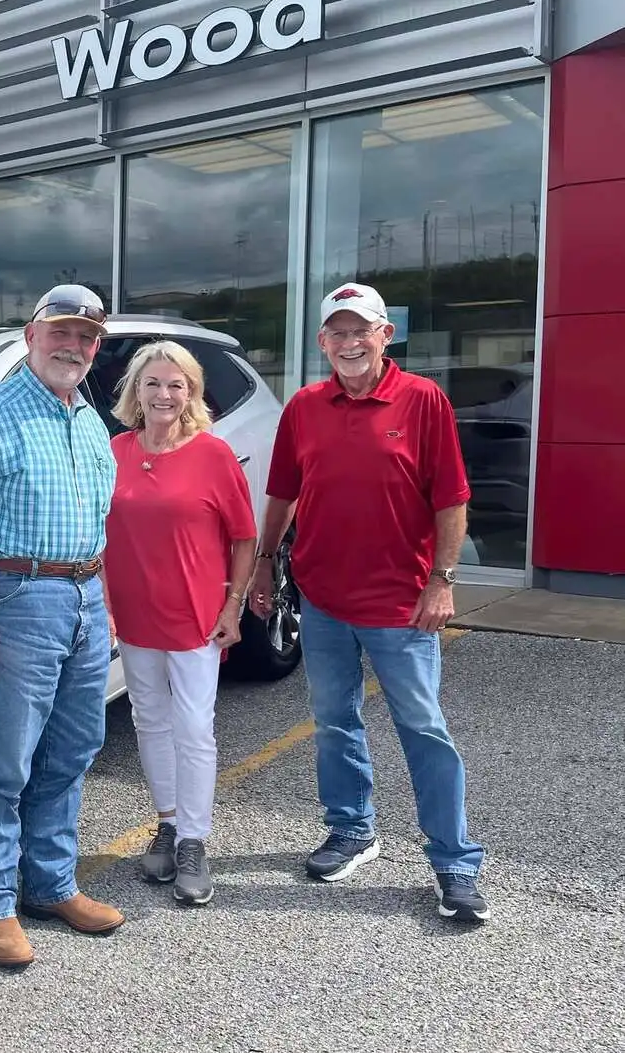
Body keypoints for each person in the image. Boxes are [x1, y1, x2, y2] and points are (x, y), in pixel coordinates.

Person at [249, 282, 489, 923]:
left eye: (362, 330)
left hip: (401, 605)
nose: (350, 342)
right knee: (334, 721)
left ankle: (455, 863)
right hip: (323, 600)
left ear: (386, 335)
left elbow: (451, 499)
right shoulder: (304, 407)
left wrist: (442, 580)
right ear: (322, 341)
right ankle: (352, 830)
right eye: (338, 332)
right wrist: (265, 564)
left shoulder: (423, 400)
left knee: (424, 729)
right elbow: (282, 494)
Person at [0, 284, 122, 970]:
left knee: (73, 750)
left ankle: (51, 885)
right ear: (31, 336)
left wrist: (104, 605)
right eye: (61, 332)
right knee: (5, 763)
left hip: (85, 597)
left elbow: (100, 524)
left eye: (86, 337)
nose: (74, 346)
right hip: (17, 599)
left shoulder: (90, 421)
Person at [100, 340, 257, 906]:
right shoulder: (114, 450)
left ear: (191, 392)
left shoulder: (213, 454)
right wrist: (105, 604)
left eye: (176, 384)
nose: (163, 394)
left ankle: (194, 839)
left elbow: (244, 537)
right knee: (149, 719)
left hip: (195, 616)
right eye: (152, 383)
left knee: (193, 726)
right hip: (133, 614)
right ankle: (167, 822)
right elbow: (98, 534)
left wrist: (232, 606)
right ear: (135, 392)